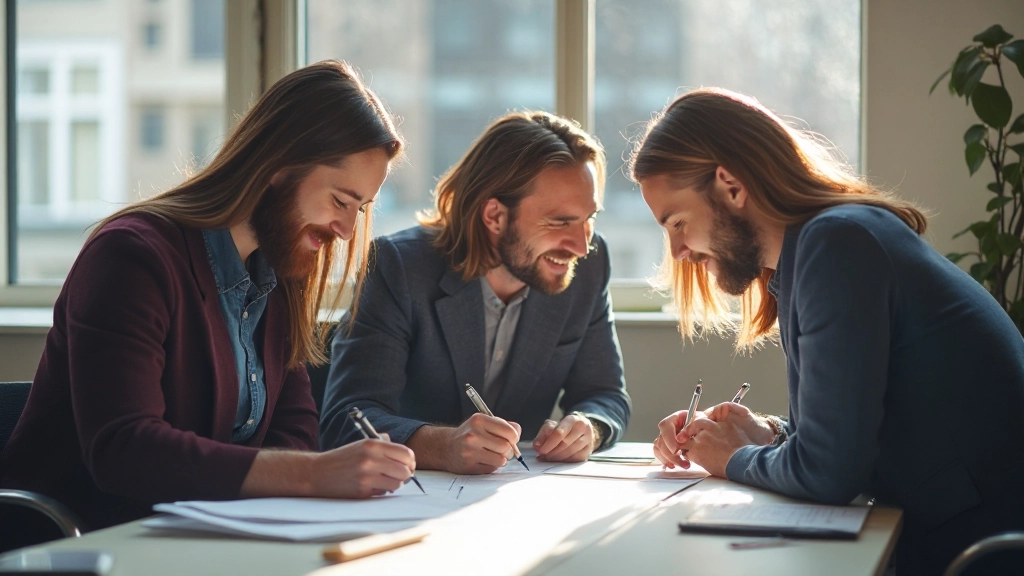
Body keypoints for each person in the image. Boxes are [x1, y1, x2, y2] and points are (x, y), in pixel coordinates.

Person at [0, 61, 417, 533]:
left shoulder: (277, 270)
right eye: (341, 201)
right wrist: (316, 474)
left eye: (359, 210)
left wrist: (301, 472)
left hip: (202, 540)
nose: (345, 231)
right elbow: (125, 450)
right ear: (279, 167)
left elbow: (295, 433)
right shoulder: (131, 257)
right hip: (79, 542)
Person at [637, 88, 1024, 575]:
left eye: (676, 222)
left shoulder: (836, 245)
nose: (677, 252)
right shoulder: (820, 248)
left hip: (984, 551)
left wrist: (733, 456)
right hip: (955, 534)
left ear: (731, 186)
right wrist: (766, 432)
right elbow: (846, 437)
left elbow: (829, 475)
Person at [320, 111, 631, 474]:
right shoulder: (399, 267)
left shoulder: (589, 267)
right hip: (410, 500)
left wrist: (587, 426)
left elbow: (606, 396)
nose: (581, 245)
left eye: (588, 219)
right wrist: (443, 446)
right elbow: (347, 418)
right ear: (495, 216)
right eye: (560, 221)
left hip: (519, 498)